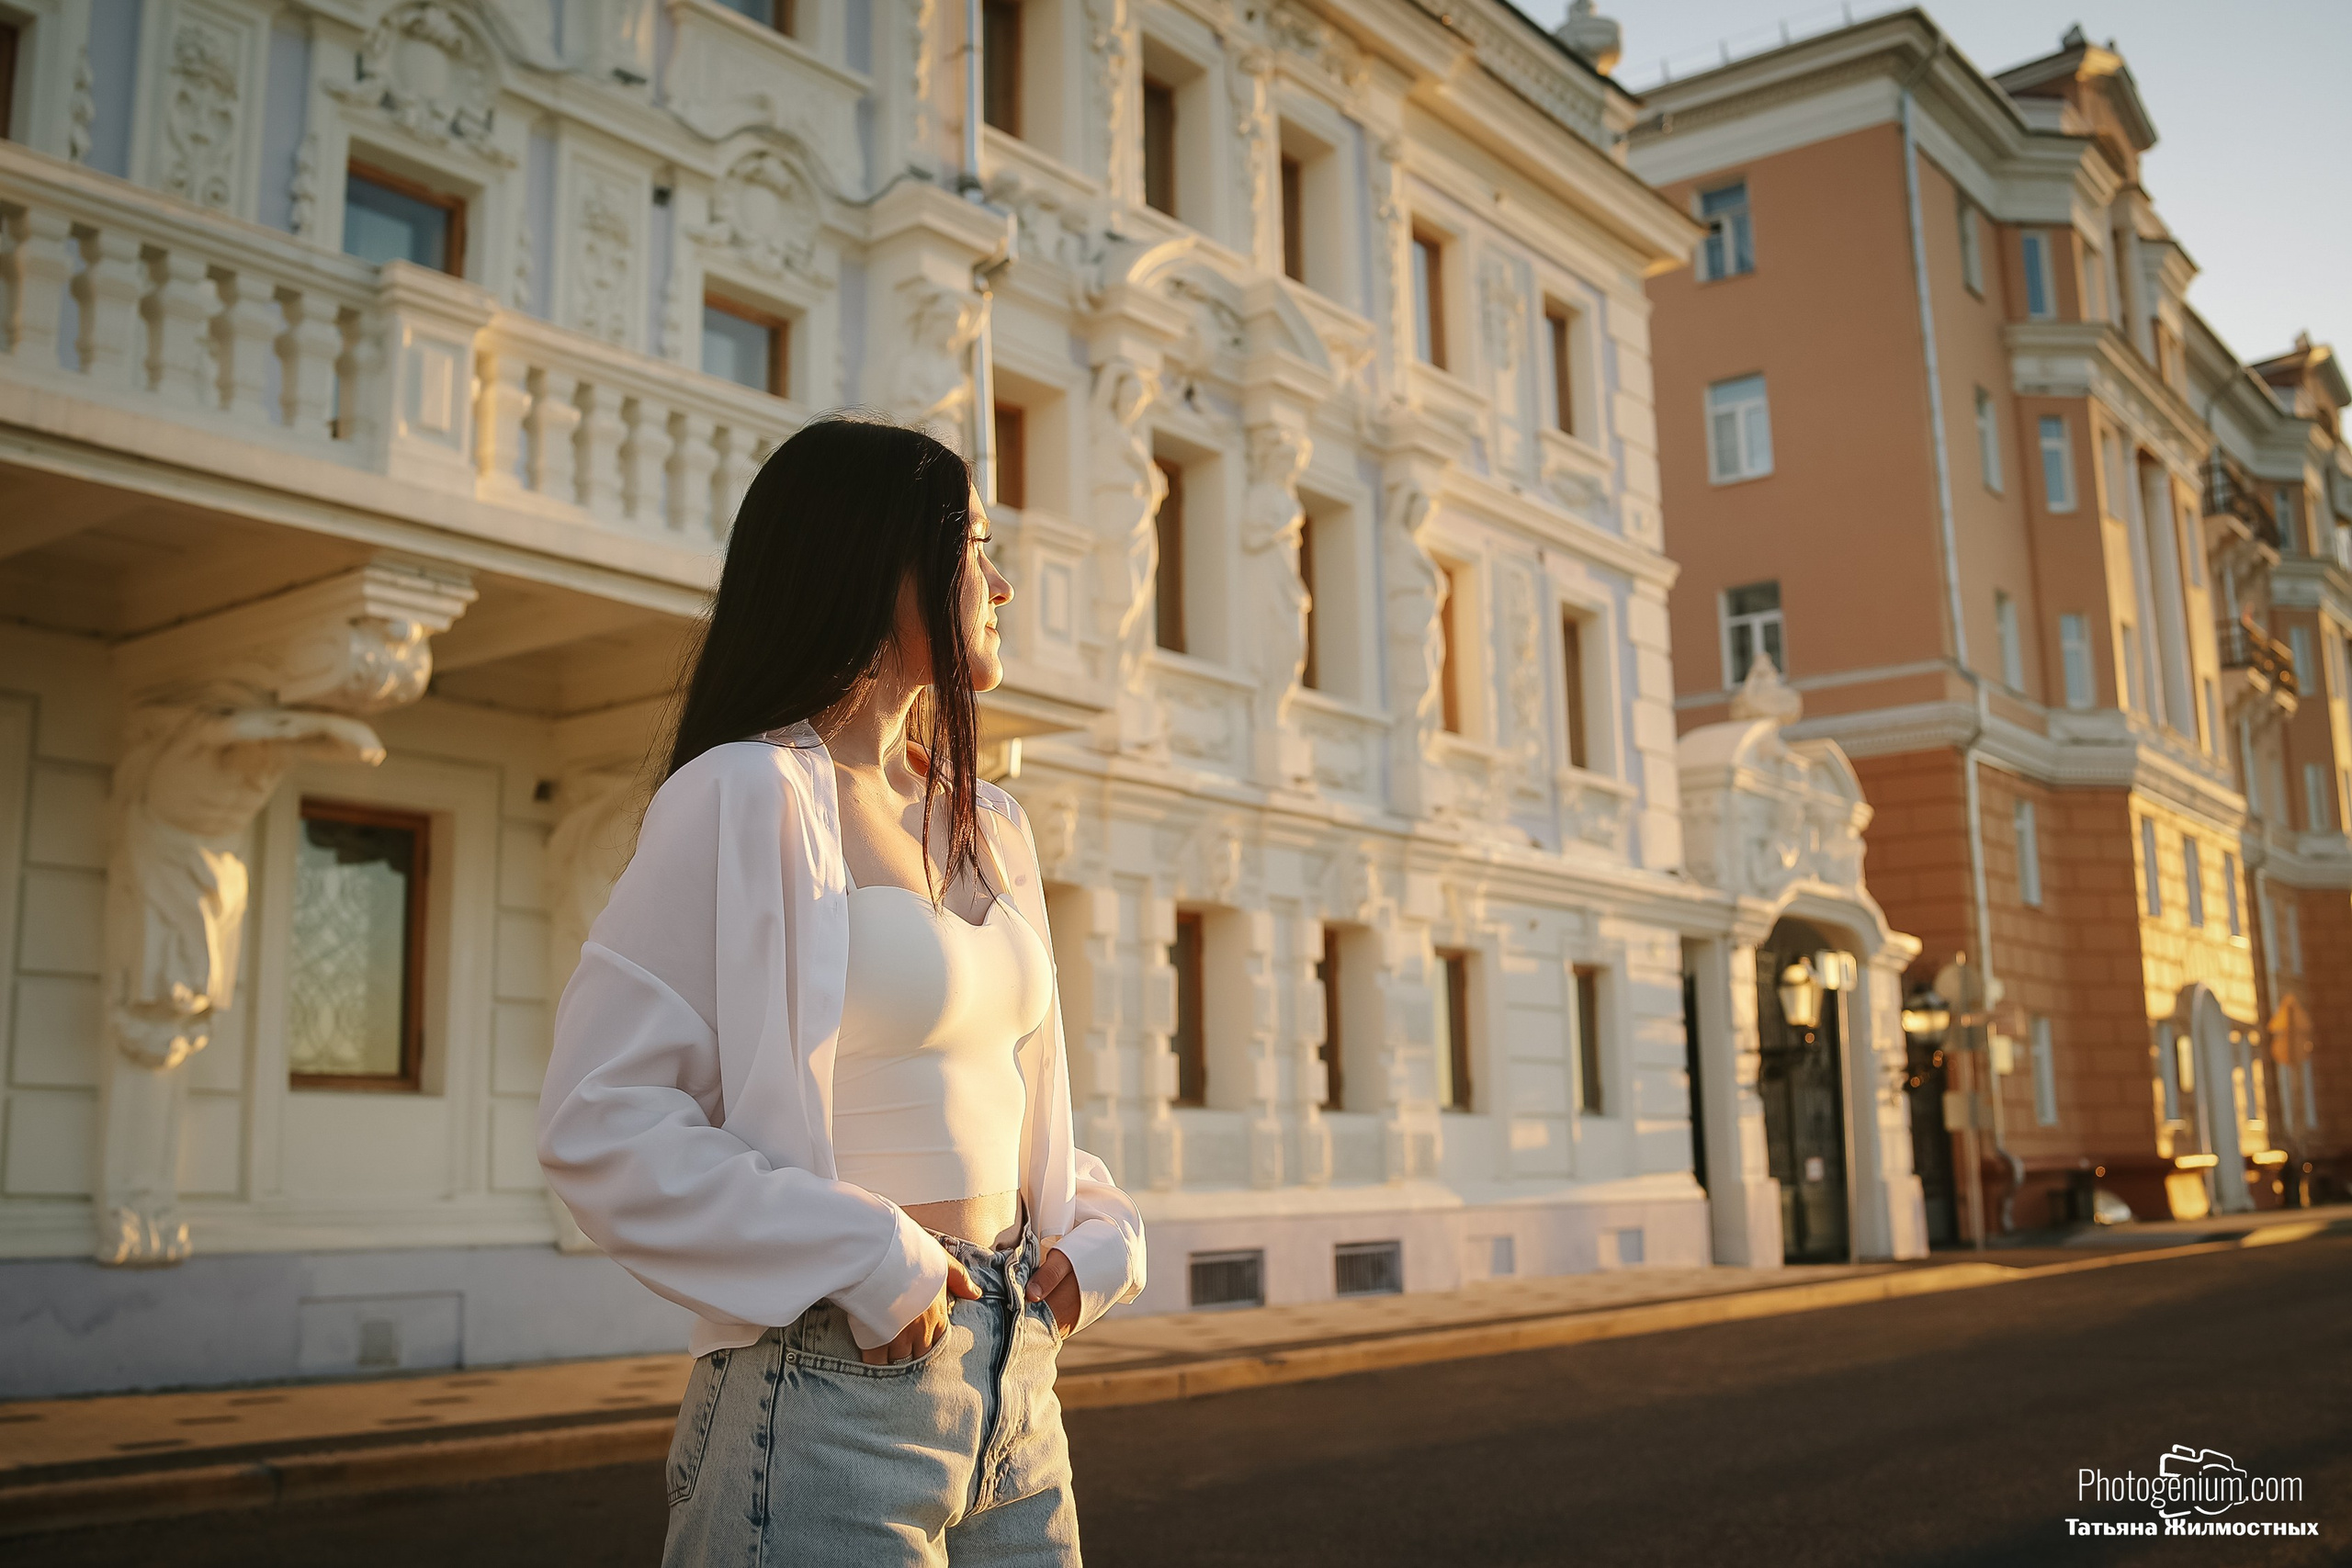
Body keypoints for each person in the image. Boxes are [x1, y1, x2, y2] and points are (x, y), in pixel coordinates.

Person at [538, 415, 1146, 1566]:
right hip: (825, 1390)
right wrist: (863, 1255)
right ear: (878, 559)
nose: (1002, 584)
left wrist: (1095, 1231)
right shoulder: (743, 795)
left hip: (1019, 1386)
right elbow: (598, 1123)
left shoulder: (992, 825)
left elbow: (997, 1092)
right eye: (974, 546)